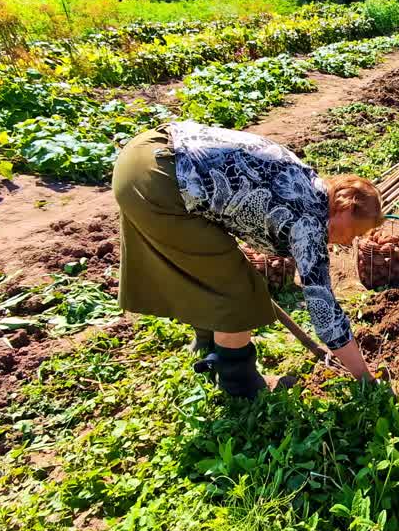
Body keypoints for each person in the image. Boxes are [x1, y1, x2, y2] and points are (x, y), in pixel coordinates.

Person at [112, 120, 381, 398]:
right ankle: (238, 385)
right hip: (163, 181)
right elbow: (323, 308)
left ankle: (207, 345)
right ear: (344, 208)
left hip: (144, 155)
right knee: (240, 290)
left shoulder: (307, 180)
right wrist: (364, 377)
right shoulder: (310, 221)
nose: (350, 241)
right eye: (355, 231)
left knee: (210, 268)